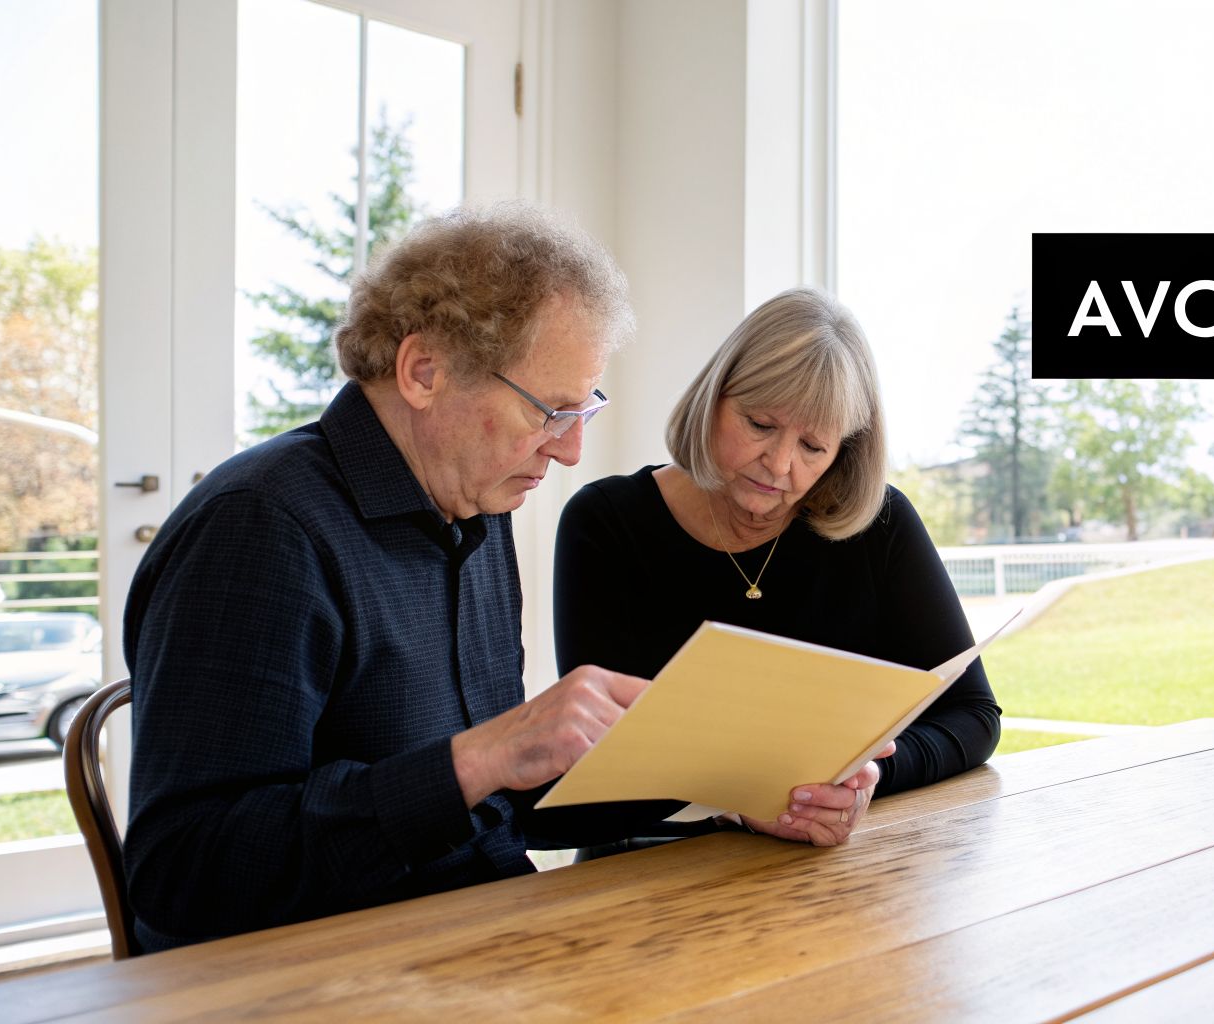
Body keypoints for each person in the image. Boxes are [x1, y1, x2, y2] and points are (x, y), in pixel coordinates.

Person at [123, 205, 672, 952]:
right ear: (423, 372)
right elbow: (185, 871)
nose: (570, 451)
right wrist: (483, 756)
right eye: (549, 411)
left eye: (585, 411)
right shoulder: (260, 528)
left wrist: (727, 780)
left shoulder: (474, 510)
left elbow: (482, 809)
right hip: (317, 974)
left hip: (471, 939)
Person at [553, 288, 1001, 847]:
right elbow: (600, 757)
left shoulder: (880, 525)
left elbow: (973, 714)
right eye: (760, 424)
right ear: (714, 398)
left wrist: (862, 781)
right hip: (645, 863)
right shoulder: (605, 523)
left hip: (825, 878)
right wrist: (739, 803)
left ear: (845, 451)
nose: (781, 464)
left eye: (814, 445)